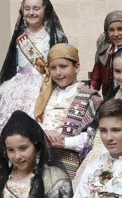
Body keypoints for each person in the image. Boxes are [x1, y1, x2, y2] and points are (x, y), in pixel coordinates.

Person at [0, 0, 69, 130]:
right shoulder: (20, 37)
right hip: (17, 85)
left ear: (45, 10)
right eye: (27, 9)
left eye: (36, 8)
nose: (31, 12)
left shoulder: (53, 36)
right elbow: (9, 64)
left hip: (44, 85)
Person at [34, 44, 101, 180]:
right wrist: (44, 133)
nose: (58, 72)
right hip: (41, 164)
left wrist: (64, 142)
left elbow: (95, 138)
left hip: (73, 167)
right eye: (53, 68)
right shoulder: (44, 96)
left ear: (77, 67)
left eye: (63, 67)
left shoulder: (90, 98)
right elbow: (32, 125)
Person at [89, 10, 122, 99]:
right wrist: (90, 92)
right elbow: (96, 78)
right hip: (109, 99)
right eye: (111, 30)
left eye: (120, 29)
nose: (116, 34)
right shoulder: (104, 52)